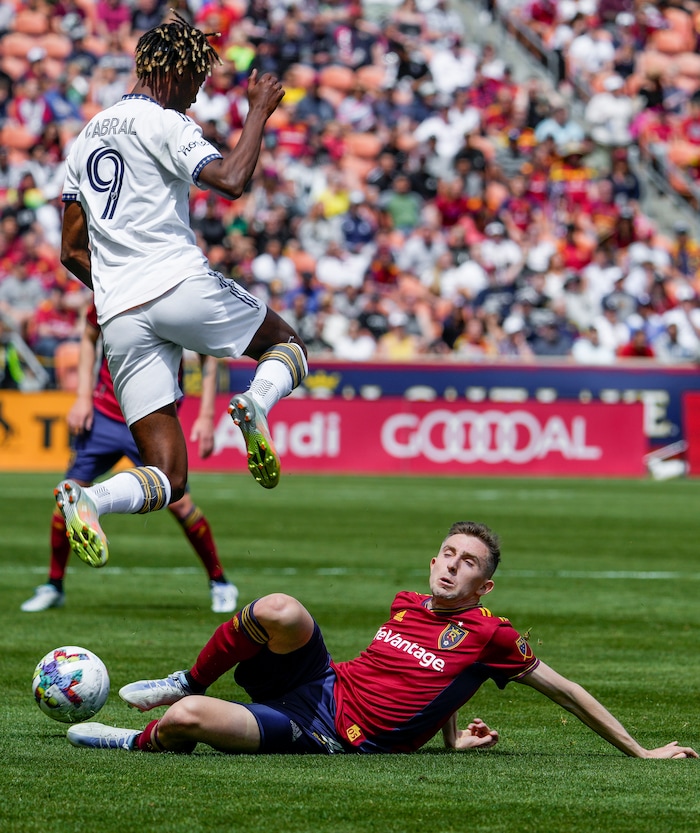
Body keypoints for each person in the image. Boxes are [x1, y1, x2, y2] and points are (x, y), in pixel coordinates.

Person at [66, 521, 697, 759]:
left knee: (188, 720)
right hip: (320, 682)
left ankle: (137, 739)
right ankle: (189, 675)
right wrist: (451, 741)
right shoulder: (407, 602)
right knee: (279, 609)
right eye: (447, 554)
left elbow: (567, 691)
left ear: (486, 585)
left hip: (327, 732)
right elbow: (432, 685)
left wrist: (640, 752)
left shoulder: (490, 636)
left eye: (468, 562)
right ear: (432, 562)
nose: (452, 565)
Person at [56, 14, 308, 569]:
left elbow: (71, 252)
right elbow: (232, 181)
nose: (192, 102)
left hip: (118, 314)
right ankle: (255, 404)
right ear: (174, 75)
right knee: (287, 347)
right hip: (175, 281)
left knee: (168, 476)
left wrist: (121, 292)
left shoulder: (83, 139)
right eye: (193, 87)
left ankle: (89, 498)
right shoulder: (164, 123)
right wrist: (259, 110)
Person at [21, 305, 238, 614]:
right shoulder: (110, 288)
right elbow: (88, 337)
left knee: (180, 504)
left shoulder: (172, 292)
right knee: (69, 496)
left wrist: (206, 415)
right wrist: (82, 397)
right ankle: (53, 585)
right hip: (104, 416)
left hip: (154, 418)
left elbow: (208, 354)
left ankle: (220, 582)